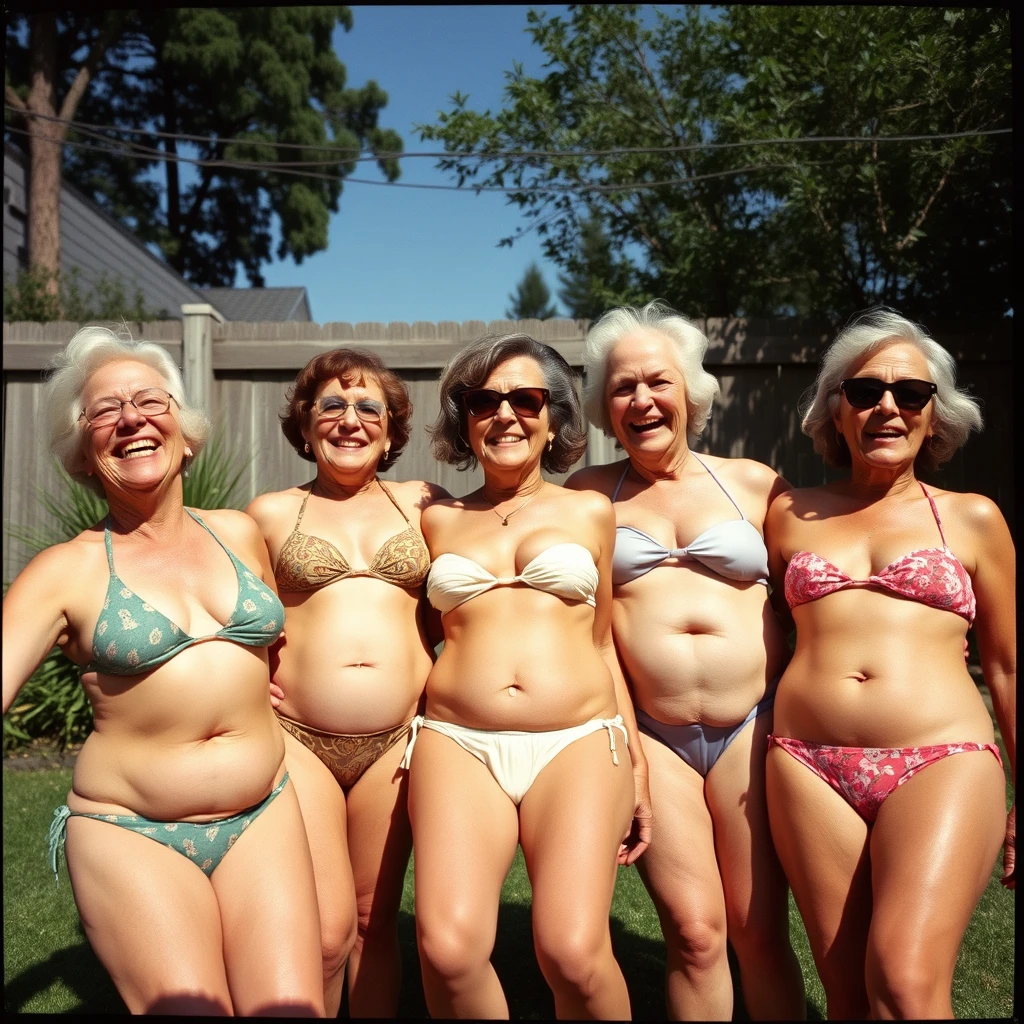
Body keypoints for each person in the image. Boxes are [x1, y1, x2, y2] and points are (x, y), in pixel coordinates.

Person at [1, 326, 323, 1016]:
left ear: (183, 427)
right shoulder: (63, 572)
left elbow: (270, 639)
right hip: (131, 832)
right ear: (82, 451)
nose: (131, 419)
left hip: (263, 813)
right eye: (104, 411)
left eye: (149, 400)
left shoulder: (238, 532)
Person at [765, 308, 1015, 1019]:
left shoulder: (972, 518)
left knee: (904, 983)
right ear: (834, 411)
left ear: (934, 416)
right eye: (865, 391)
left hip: (942, 759)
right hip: (807, 765)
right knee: (846, 996)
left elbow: (1007, 667)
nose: (887, 407)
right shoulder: (790, 514)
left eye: (910, 394)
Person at [567, 301, 805, 1020]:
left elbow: (826, 594)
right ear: (605, 408)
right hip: (651, 735)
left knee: (759, 933)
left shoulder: (757, 485)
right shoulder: (584, 496)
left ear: (691, 393)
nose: (642, 399)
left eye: (657, 382)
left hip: (753, 729)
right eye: (622, 387)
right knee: (697, 935)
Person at [405, 333, 651, 1020]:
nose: (505, 414)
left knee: (572, 952)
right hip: (458, 743)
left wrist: (638, 762)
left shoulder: (591, 512)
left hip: (577, 741)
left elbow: (603, 644)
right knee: (448, 952)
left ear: (554, 418)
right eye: (485, 401)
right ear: (464, 419)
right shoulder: (436, 519)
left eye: (526, 399)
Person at [245, 348, 447, 1017]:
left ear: (391, 432)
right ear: (305, 425)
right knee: (328, 934)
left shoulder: (425, 505)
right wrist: (244, 687)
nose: (350, 419)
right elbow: (229, 615)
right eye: (331, 405)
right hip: (298, 738)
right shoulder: (270, 515)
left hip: (400, 741)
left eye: (369, 408)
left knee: (371, 923)